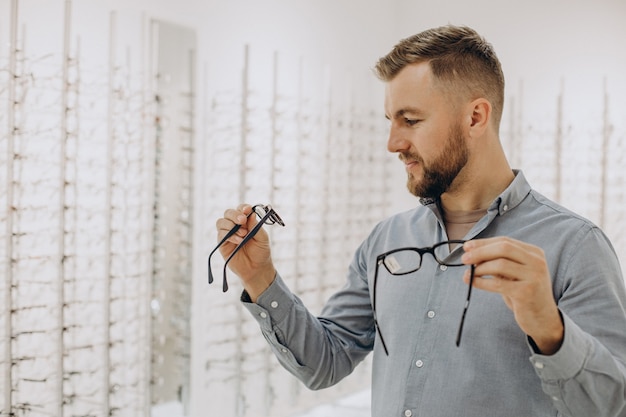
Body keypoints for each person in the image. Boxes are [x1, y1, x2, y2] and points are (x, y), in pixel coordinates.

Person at [214, 25, 626, 417]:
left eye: (410, 121)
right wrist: (260, 279)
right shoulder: (386, 239)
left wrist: (551, 331)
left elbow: (612, 407)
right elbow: (326, 363)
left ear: (475, 117)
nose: (393, 143)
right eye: (390, 121)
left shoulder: (574, 247)